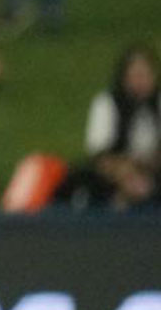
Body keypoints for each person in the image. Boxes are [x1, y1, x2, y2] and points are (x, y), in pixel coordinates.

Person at [55, 45, 160, 211]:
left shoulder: (157, 104)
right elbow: (100, 157)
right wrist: (125, 174)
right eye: (136, 75)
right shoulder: (107, 104)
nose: (141, 82)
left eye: (145, 75)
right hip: (114, 173)